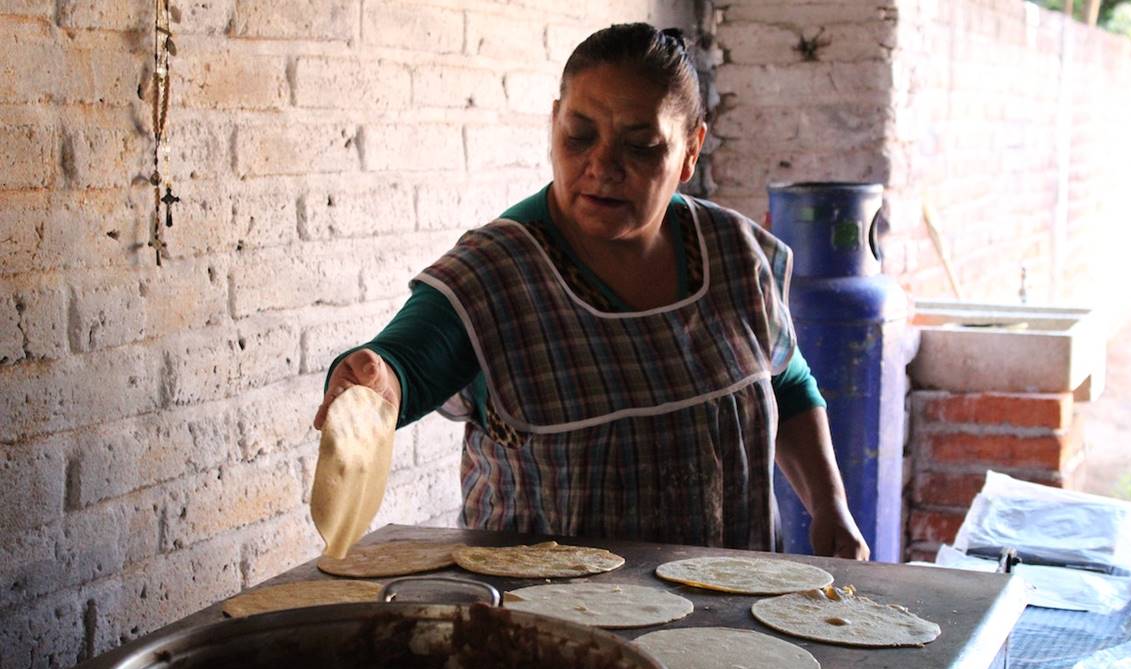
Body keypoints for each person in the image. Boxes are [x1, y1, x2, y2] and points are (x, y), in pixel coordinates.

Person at [313, 23, 869, 560]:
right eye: (578, 136)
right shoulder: (497, 272)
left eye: (642, 145)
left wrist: (829, 503)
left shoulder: (737, 255)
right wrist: (376, 378)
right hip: (555, 637)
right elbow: (407, 361)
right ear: (554, 122)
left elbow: (787, 382)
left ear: (691, 150)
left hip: (725, 619)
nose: (601, 165)